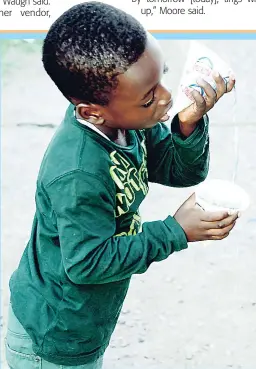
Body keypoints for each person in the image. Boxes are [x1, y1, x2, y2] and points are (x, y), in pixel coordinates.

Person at [5, 2, 237, 369]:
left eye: (162, 77)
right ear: (91, 112)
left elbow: (181, 171)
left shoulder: (125, 121)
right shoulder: (78, 173)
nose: (165, 97)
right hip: (55, 334)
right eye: (149, 98)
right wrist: (174, 232)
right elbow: (86, 263)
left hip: (84, 321)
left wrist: (187, 124)